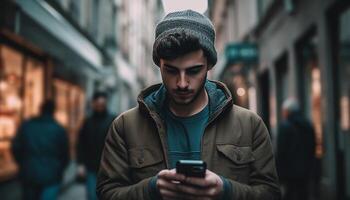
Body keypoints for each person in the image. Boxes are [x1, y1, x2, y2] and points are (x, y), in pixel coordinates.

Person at [97, 10, 281, 200]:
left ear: (209, 65)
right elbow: (107, 193)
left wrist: (226, 190)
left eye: (193, 71)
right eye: (171, 70)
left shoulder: (250, 125)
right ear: (158, 64)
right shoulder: (125, 126)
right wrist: (151, 189)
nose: (182, 83)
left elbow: (271, 193)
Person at [12, 100, 69, 200]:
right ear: (53, 111)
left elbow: (16, 147)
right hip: (51, 175)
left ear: (40, 110)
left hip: (30, 173)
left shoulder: (27, 126)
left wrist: (23, 163)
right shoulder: (59, 129)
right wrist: (59, 168)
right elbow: (65, 155)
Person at [76, 92, 115, 200]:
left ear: (106, 103)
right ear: (93, 104)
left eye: (102, 104)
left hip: (109, 168)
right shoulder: (87, 121)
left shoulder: (113, 120)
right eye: (97, 104)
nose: (99, 106)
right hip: (91, 166)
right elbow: (81, 143)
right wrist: (80, 164)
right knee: (92, 196)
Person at [276, 98, 316, 200]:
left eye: (284, 111)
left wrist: (279, 171)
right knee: (303, 193)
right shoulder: (307, 124)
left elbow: (281, 151)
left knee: (289, 193)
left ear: (287, 111)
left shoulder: (285, 126)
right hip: (305, 168)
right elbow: (312, 147)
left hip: (290, 170)